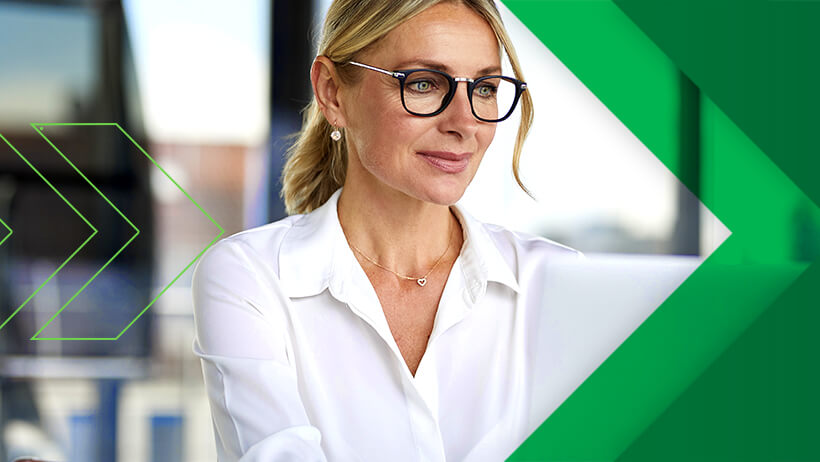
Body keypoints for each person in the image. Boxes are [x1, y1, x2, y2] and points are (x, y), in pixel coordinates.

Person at [191, 0, 580, 460]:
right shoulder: (252, 278)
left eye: (485, 87)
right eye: (423, 84)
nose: (465, 122)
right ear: (333, 93)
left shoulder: (556, 283)